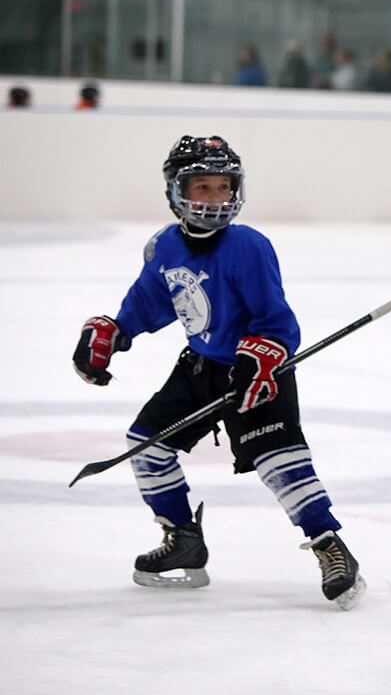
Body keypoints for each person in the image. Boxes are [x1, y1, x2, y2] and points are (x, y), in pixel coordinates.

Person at [71, 134, 366, 609]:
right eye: (201, 187)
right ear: (175, 191)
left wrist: (263, 354)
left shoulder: (248, 246)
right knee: (147, 446)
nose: (213, 198)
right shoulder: (163, 247)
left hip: (259, 369)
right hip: (200, 368)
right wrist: (114, 331)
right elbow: (151, 301)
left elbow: (276, 319)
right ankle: (183, 538)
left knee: (279, 463)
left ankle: (331, 547)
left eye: (222, 187)